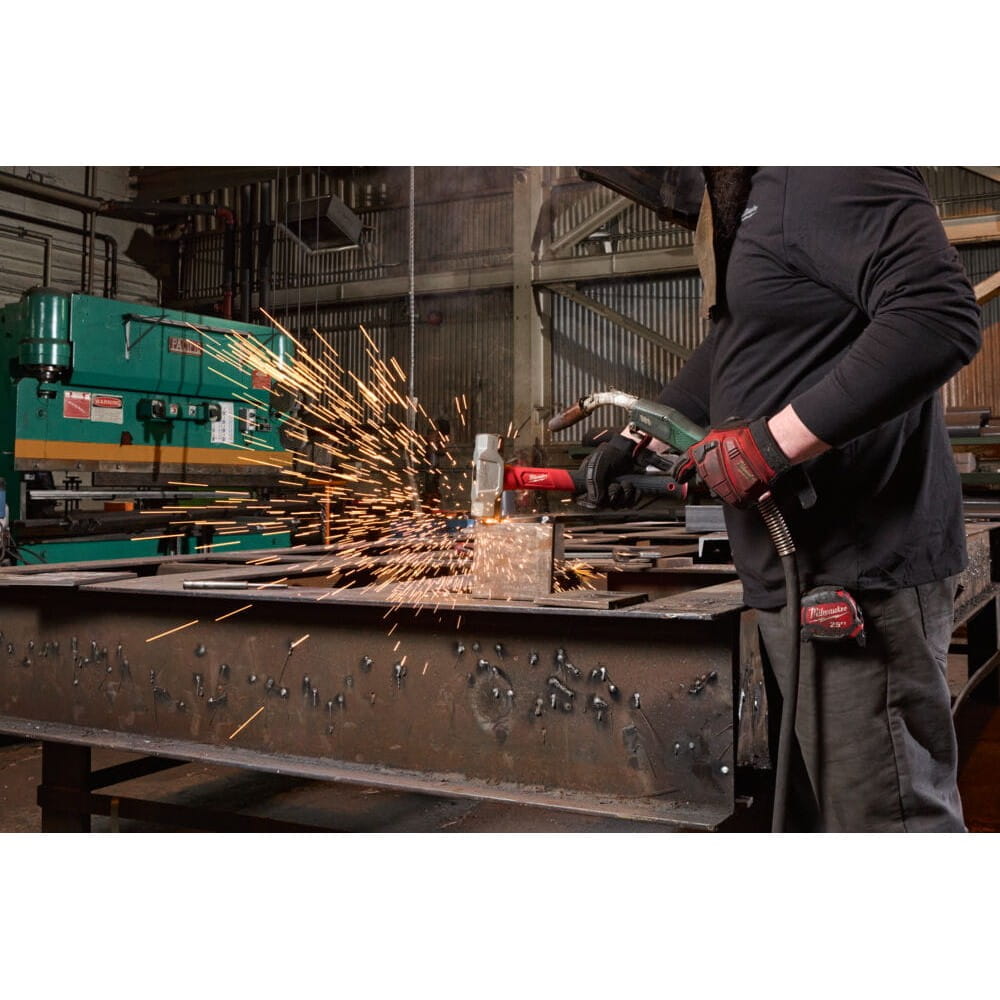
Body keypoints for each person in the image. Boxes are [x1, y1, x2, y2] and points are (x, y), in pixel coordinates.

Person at [580, 167, 982, 832]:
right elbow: (747, 335)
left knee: (885, 827)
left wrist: (767, 447)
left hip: (856, 573)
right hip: (796, 570)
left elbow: (937, 317)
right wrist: (645, 428)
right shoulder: (760, 193)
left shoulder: (827, 166)